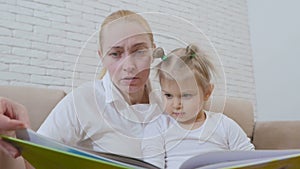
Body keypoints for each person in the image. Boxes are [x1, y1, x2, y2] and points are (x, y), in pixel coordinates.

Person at [36, 9, 163, 159]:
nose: (129, 66)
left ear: (153, 52)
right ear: (102, 57)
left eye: (139, 51)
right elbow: (36, 154)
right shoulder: (82, 100)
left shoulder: (167, 104)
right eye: (115, 54)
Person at [141, 44, 255, 168]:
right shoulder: (157, 127)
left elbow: (250, 159)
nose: (176, 105)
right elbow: (152, 165)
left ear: (207, 93)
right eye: (168, 95)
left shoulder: (224, 125)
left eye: (186, 96)